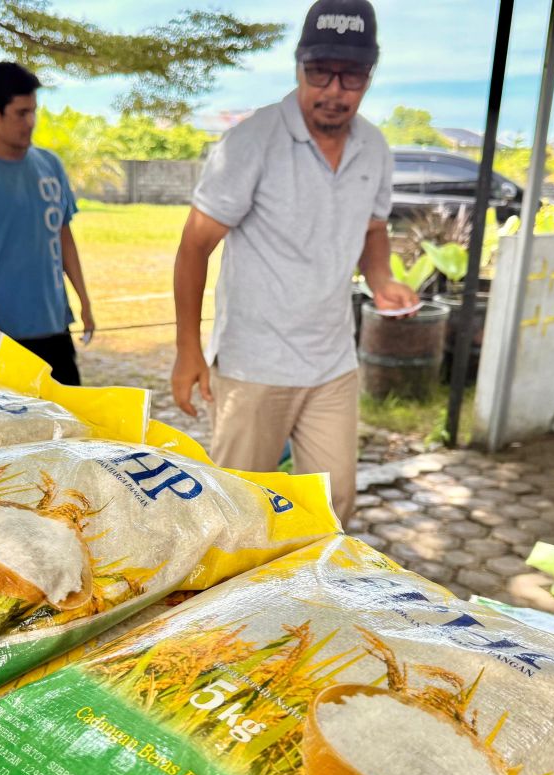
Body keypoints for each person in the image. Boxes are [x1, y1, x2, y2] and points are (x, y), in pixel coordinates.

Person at [170, 0, 418, 526]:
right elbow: (195, 245)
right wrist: (189, 349)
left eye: (350, 75)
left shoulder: (374, 147)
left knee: (331, 510)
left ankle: (307, 605)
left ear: (370, 75)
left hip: (332, 363)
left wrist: (382, 279)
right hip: (253, 364)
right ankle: (223, 610)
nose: (333, 89)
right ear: (299, 66)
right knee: (236, 513)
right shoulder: (252, 141)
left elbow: (373, 227)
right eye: (319, 72)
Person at [0, 62, 94, 381]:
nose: (30, 122)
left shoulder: (49, 164)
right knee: (13, 429)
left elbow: (63, 236)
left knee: (67, 421)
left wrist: (84, 302)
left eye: (33, 111)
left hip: (52, 323)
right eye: (21, 113)